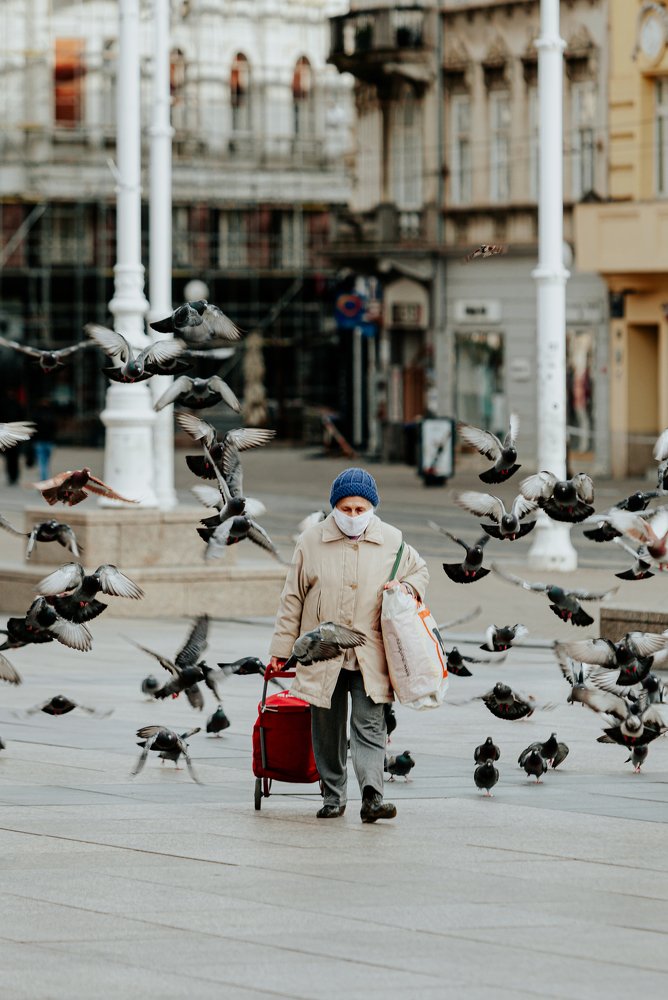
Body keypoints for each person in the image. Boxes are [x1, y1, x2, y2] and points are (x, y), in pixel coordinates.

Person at [268, 467, 429, 823]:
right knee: (326, 725)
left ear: (371, 507)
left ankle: (372, 796)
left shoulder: (392, 539)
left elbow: (420, 571)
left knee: (371, 724)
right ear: (334, 508)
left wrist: (405, 588)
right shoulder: (311, 541)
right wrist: (281, 650)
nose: (353, 516)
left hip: (370, 650)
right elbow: (292, 597)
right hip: (321, 652)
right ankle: (333, 794)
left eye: (360, 509)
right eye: (346, 509)